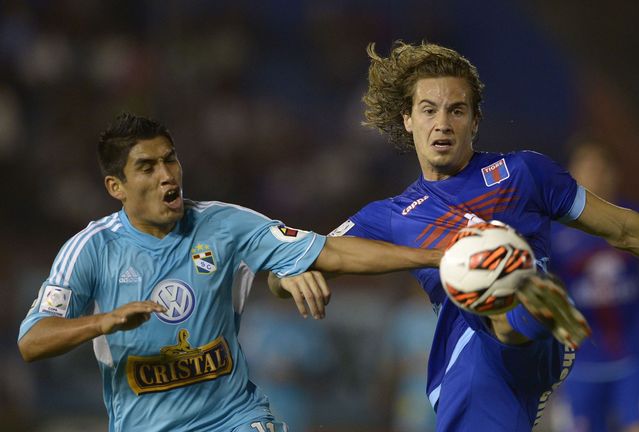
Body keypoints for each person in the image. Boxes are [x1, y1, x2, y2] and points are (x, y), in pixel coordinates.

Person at [269, 41, 639, 432]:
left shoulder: (523, 173)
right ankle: (506, 283)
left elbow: (622, 227)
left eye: (457, 110)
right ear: (406, 120)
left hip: (528, 337)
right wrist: (288, 273)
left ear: (475, 121)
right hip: (469, 358)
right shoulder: (391, 215)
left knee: (505, 285)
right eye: (429, 110)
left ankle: (514, 287)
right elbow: (299, 258)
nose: (442, 123)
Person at [16, 112, 444, 432]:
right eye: (147, 167)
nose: (167, 176)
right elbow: (32, 341)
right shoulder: (92, 248)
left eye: (170, 160)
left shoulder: (225, 224)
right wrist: (102, 322)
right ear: (116, 187)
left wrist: (433, 256)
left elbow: (330, 251)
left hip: (234, 419)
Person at [549, 140, 639, 432]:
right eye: (588, 167)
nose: (596, 175)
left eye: (602, 168)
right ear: (572, 174)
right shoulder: (552, 229)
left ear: (615, 174)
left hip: (636, 355)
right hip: (579, 361)